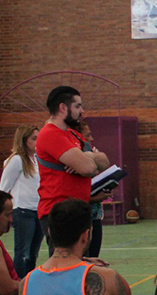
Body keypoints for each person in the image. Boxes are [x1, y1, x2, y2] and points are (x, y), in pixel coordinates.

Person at [35, 86, 110, 253]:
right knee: (67, 268)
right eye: (77, 106)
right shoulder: (50, 134)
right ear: (63, 108)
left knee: (84, 267)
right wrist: (87, 159)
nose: (81, 111)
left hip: (79, 211)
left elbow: (104, 162)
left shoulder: (73, 135)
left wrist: (85, 156)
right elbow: (89, 168)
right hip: (60, 214)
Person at [0, 125, 44, 277]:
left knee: (33, 254)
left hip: (38, 210)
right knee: (23, 253)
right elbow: (4, 188)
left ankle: (28, 283)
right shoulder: (17, 160)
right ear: (24, 141)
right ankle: (18, 284)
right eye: (34, 138)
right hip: (23, 210)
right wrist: (4, 213)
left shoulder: (37, 160)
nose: (37, 142)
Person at [77, 120, 112, 259]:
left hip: (95, 214)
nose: (91, 139)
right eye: (87, 136)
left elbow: (103, 162)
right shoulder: (77, 157)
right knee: (84, 255)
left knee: (94, 254)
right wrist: (96, 197)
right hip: (83, 215)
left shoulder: (90, 152)